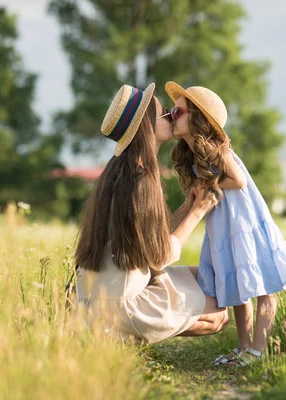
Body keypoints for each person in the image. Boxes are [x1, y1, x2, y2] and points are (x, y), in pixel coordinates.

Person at [75, 83, 229, 344]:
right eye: (164, 114)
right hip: (119, 306)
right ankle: (118, 334)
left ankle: (116, 331)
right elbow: (159, 255)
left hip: (97, 296)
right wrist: (197, 212)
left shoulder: (119, 171)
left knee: (206, 277)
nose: (171, 116)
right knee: (218, 314)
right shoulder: (140, 179)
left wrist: (186, 207)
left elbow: (144, 236)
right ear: (146, 127)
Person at [163, 81, 286, 365]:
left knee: (263, 287)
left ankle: (259, 349)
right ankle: (243, 347)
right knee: (238, 286)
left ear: (198, 119)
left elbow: (238, 181)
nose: (170, 117)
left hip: (244, 222)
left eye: (178, 112)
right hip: (223, 227)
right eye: (170, 112)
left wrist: (206, 182)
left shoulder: (218, 148)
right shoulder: (192, 155)